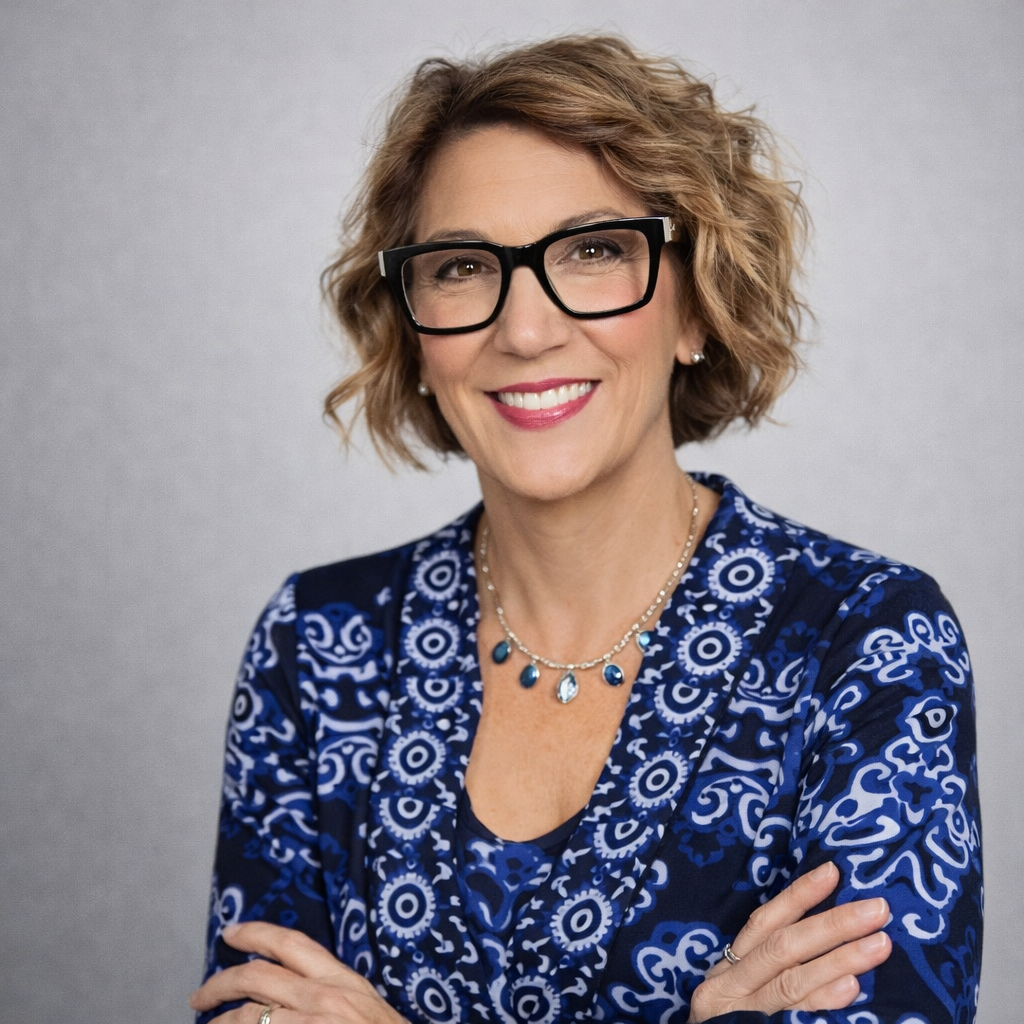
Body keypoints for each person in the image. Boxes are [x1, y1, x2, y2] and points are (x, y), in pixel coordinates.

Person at [190, 35, 982, 1024]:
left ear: (695, 306)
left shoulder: (864, 639)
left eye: (596, 251)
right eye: (461, 267)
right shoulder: (316, 643)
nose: (525, 331)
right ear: (415, 331)